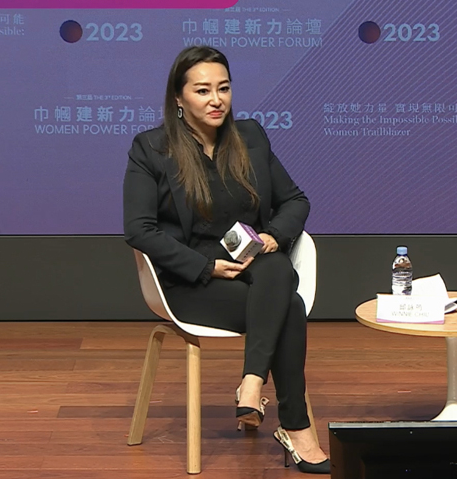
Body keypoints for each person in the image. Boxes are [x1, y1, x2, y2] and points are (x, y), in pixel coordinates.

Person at [123, 46, 328, 473]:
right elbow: (139, 230)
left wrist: (273, 235)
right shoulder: (151, 149)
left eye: (224, 88)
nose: (216, 99)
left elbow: (295, 200)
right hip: (192, 281)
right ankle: (296, 427)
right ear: (179, 99)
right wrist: (206, 267)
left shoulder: (250, 136)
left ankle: (252, 384)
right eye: (202, 90)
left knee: (274, 267)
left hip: (257, 269)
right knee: (287, 306)